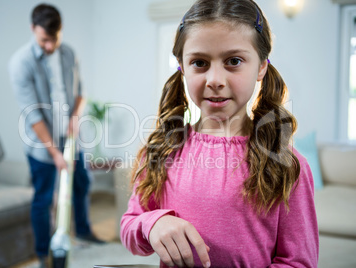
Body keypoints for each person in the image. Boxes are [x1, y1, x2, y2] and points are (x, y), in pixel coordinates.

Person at [120, 0, 319, 267]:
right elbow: (130, 225)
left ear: (261, 66)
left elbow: (298, 262)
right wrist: (151, 223)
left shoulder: (288, 166)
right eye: (199, 62)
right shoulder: (160, 150)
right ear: (182, 66)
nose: (215, 79)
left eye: (233, 61)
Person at [8, 3, 104, 266]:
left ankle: (83, 231)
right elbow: (33, 116)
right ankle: (43, 253)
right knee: (44, 198)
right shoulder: (21, 63)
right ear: (33, 30)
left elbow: (81, 93)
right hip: (42, 146)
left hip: (72, 139)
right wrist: (54, 154)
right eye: (44, 40)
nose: (50, 46)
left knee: (82, 184)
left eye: (54, 39)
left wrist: (75, 117)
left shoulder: (69, 53)